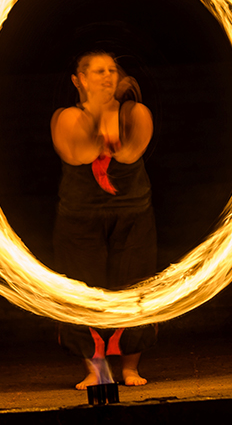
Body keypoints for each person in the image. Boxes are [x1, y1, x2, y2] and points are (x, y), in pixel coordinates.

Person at [50, 50, 157, 390]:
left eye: (112, 70)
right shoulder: (66, 117)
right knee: (82, 289)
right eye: (97, 71)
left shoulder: (136, 112)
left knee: (134, 287)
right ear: (78, 80)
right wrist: (96, 113)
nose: (107, 76)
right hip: (79, 217)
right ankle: (94, 369)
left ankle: (129, 368)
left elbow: (128, 153)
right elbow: (78, 154)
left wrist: (109, 117)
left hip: (133, 213)